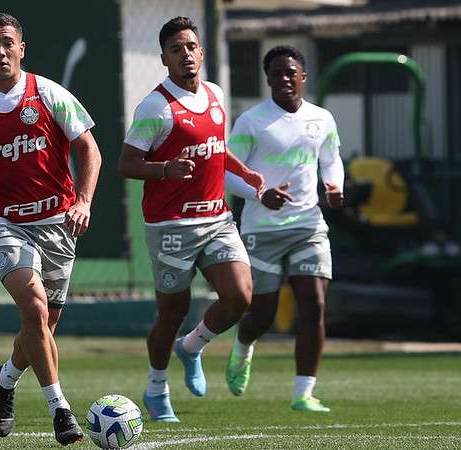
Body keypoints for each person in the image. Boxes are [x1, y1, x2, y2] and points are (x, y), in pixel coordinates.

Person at [0, 12, 101, 445]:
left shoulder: (48, 93)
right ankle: (60, 410)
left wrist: (83, 201)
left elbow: (90, 149)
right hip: (3, 220)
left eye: (7, 43)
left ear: (21, 48)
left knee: (44, 323)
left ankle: (5, 379)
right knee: (34, 309)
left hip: (57, 220)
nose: (0, 51)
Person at [118, 17, 264, 423]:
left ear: (201, 52)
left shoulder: (215, 94)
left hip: (217, 218)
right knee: (172, 312)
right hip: (171, 226)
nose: (186, 54)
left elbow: (216, 150)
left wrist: (246, 175)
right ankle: (156, 388)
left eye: (191, 46)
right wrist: (165, 170)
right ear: (164, 58)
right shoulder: (155, 107)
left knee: (239, 296)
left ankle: (192, 347)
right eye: (176, 49)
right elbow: (127, 163)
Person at [224, 45, 344, 412]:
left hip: (309, 225)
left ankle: (303, 393)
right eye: (277, 74)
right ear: (268, 79)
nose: (285, 79)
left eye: (291, 72)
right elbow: (227, 172)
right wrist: (260, 193)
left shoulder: (322, 119)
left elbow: (331, 159)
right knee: (262, 315)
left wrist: (335, 186)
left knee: (314, 304)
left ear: (303, 77)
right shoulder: (252, 121)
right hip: (262, 230)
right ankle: (244, 346)